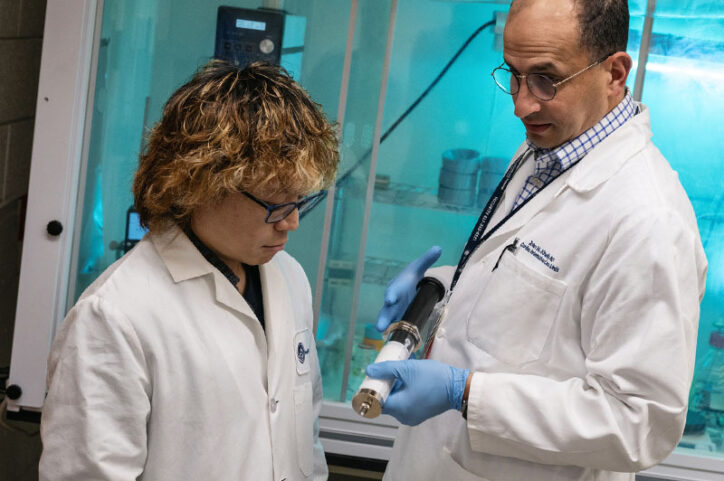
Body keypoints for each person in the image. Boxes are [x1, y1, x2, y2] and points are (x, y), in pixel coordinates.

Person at [369, 1, 708, 480]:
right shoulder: (546, 147)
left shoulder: (648, 221)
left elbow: (639, 422)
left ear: (614, 73)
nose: (521, 104)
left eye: (547, 79)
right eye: (514, 74)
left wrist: (464, 393)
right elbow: (529, 293)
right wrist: (436, 292)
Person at [39, 61, 338, 481]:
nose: (291, 223)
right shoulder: (113, 318)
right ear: (201, 183)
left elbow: (304, 439)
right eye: (276, 204)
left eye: (300, 201)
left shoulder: (289, 277)